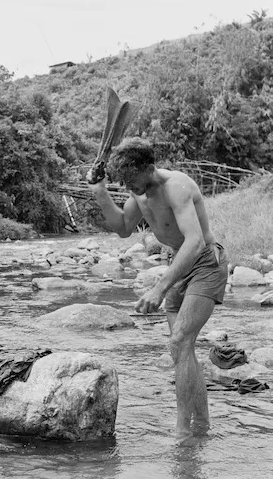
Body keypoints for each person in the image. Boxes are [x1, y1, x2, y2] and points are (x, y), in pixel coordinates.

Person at [87, 137, 228, 439]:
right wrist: (100, 193)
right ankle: (201, 426)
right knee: (182, 350)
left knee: (180, 341)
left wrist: (160, 288)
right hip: (179, 264)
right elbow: (124, 227)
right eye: (123, 183)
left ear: (149, 167)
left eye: (132, 181)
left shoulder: (175, 186)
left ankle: (181, 431)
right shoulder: (137, 193)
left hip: (204, 262)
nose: (129, 188)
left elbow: (195, 241)